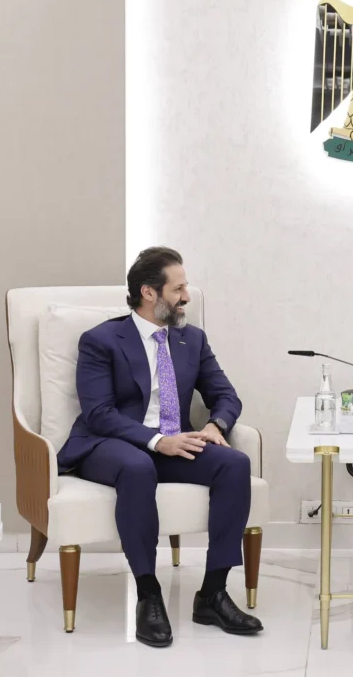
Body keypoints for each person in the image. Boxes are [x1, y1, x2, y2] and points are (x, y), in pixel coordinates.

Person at [57, 247, 262, 647]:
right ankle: (148, 595)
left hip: (173, 440)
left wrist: (216, 425)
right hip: (110, 443)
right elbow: (99, 413)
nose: (186, 297)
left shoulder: (191, 340)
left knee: (234, 464)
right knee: (138, 467)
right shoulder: (101, 340)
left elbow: (225, 395)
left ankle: (213, 594)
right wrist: (156, 441)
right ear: (149, 292)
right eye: (178, 289)